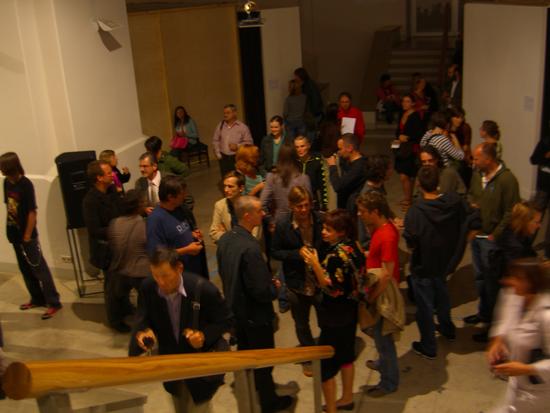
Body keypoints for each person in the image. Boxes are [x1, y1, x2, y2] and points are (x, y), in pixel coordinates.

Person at [216, 196, 294, 413]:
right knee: (263, 360)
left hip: (236, 312)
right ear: (247, 215)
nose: (263, 214)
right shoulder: (250, 248)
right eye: (260, 211)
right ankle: (268, 402)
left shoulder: (225, 240)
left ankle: (251, 389)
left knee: (246, 355)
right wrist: (275, 287)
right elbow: (261, 290)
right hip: (255, 316)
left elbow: (226, 274)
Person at [133, 247, 232, 413]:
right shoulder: (148, 287)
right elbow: (143, 317)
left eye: (165, 276)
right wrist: (144, 331)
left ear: (179, 268)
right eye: (155, 276)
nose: (161, 282)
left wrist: (203, 336)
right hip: (171, 369)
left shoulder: (203, 289)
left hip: (199, 371)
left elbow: (226, 320)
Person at [404, 166, 475, 359]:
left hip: (423, 266)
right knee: (442, 296)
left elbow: (411, 243)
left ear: (418, 183)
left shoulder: (415, 212)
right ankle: (447, 329)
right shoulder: (453, 202)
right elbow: (469, 215)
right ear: (438, 183)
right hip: (444, 262)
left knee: (425, 307)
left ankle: (428, 345)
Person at [301, 209, 362, 412]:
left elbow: (331, 287)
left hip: (334, 317)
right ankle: (347, 398)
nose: (324, 232)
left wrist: (315, 264)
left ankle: (332, 408)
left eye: (329, 229)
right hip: (351, 312)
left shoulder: (335, 256)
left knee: (326, 368)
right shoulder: (354, 246)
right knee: (347, 357)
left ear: (341, 231)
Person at [465, 143, 520, 342]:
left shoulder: (507, 180)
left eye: (476, 158)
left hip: (491, 240)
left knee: (492, 283)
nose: (473, 162)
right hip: (478, 236)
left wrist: (495, 234)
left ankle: (493, 327)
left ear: (488, 159)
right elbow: (471, 193)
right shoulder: (477, 175)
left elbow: (511, 211)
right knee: (480, 279)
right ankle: (483, 314)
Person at [0, 152, 62, 320]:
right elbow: (9, 208)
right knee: (25, 269)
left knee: (39, 269)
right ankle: (37, 298)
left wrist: (27, 235)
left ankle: (54, 302)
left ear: (9, 167)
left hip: (27, 236)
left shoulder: (26, 184)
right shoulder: (6, 183)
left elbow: (31, 212)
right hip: (13, 234)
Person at [271, 186, 323, 377]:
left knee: (326, 320)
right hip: (297, 284)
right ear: (291, 206)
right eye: (299, 206)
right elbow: (275, 252)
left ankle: (324, 352)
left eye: (307, 205)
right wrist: (296, 254)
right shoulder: (283, 225)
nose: (304, 210)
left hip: (319, 282)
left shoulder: (319, 219)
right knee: (301, 324)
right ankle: (308, 358)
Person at [487, 258, 550, 412]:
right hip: (516, 382)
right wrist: (497, 341)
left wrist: (528, 369)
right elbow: (503, 321)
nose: (508, 281)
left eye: (517, 278)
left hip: (539, 391)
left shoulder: (546, 315)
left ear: (531, 282)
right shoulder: (512, 296)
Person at [356, 192, 403, 397]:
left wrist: (371, 298)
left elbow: (386, 275)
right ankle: (383, 364)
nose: (360, 215)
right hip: (377, 288)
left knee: (384, 340)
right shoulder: (384, 228)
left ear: (375, 212)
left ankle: (389, 382)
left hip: (382, 294)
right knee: (379, 337)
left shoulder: (387, 236)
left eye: (363, 212)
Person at [146, 176, 207, 278]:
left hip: (195, 270)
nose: (185, 195)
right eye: (182, 194)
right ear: (170, 197)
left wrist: (192, 234)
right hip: (180, 276)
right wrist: (187, 250)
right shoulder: (155, 220)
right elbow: (157, 255)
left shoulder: (180, 209)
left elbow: (178, 231)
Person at [107, 190, 150, 332]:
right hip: (140, 271)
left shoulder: (114, 223)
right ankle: (144, 325)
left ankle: (117, 322)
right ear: (138, 206)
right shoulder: (143, 225)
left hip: (120, 269)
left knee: (116, 297)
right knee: (145, 301)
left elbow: (113, 245)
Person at [260, 144, 311, 226]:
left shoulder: (272, 177)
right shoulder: (304, 178)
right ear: (295, 157)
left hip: (280, 221)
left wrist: (271, 221)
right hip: (300, 222)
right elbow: (309, 204)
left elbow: (262, 204)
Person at [393, 94, 425, 211]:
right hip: (402, 148)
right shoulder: (402, 114)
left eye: (407, 101)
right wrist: (398, 137)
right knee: (406, 175)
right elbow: (398, 130)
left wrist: (407, 138)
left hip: (410, 149)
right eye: (403, 101)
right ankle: (408, 198)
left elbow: (419, 134)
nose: (404, 104)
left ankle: (408, 200)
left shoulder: (415, 116)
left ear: (412, 103)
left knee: (405, 176)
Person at [209, 171, 260, 243]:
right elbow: (213, 233)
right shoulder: (220, 205)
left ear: (241, 188)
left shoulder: (250, 205)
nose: (226, 190)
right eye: (225, 186)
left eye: (230, 186)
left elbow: (254, 235)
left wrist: (227, 234)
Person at [328, 133, 368, 211]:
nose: (338, 152)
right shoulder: (350, 161)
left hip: (352, 210)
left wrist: (332, 166)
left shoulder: (359, 167)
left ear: (349, 148)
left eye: (340, 149)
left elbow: (338, 186)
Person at [212, 104, 253, 178]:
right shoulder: (220, 125)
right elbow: (215, 140)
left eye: (228, 113)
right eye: (224, 113)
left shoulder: (242, 127)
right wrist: (218, 153)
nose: (225, 115)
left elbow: (249, 142)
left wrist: (237, 146)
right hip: (223, 158)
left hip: (236, 157)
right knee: (225, 177)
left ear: (235, 113)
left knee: (237, 178)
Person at [294, 135, 328, 211]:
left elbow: (323, 186)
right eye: (297, 147)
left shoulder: (317, 162)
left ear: (308, 146)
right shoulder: (294, 163)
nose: (300, 149)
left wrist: (324, 206)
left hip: (313, 203)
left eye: (302, 146)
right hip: (297, 204)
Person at [530, 135, 550, 259]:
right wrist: (546, 157)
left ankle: (548, 252)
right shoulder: (545, 142)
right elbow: (533, 159)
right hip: (543, 187)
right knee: (535, 216)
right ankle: (527, 243)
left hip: (544, 186)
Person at [448, 107, 473, 188]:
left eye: (461, 117)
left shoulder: (465, 127)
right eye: (457, 117)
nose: (460, 120)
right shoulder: (447, 129)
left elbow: (465, 149)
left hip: (462, 159)